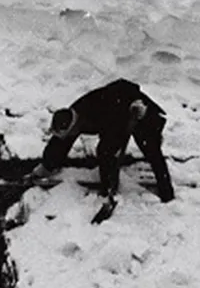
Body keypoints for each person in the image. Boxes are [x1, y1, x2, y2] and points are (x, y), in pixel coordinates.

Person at [31, 79, 175, 203]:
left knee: (149, 148)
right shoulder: (72, 115)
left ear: (73, 127)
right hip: (116, 110)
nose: (66, 136)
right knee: (106, 150)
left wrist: (107, 188)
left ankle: (167, 192)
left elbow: (109, 146)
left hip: (138, 112)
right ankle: (109, 184)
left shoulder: (101, 115)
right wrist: (46, 166)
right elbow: (60, 141)